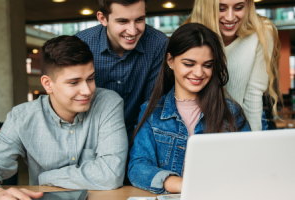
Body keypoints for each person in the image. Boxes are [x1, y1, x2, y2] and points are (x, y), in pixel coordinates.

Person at [0, 35, 128, 199]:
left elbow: (111, 175)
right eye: (74, 82)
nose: (87, 90)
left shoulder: (109, 103)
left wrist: (45, 177)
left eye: (91, 78)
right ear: (47, 84)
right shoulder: (21, 117)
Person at [128, 23, 250, 194]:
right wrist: (183, 185)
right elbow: (137, 168)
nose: (199, 73)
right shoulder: (152, 112)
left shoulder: (231, 112)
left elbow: (249, 165)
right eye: (189, 63)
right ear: (170, 60)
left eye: (207, 65)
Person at [75, 0, 169, 139]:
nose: (132, 30)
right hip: (91, 137)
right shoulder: (81, 44)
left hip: (141, 136)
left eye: (139, 19)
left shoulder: (158, 44)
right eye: (122, 21)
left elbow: (152, 107)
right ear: (103, 19)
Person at [184, 0, 282, 131]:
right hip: (202, 124)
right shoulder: (191, 32)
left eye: (238, 7)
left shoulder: (262, 31)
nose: (230, 17)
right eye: (221, 9)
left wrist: (252, 143)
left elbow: (253, 95)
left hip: (246, 122)